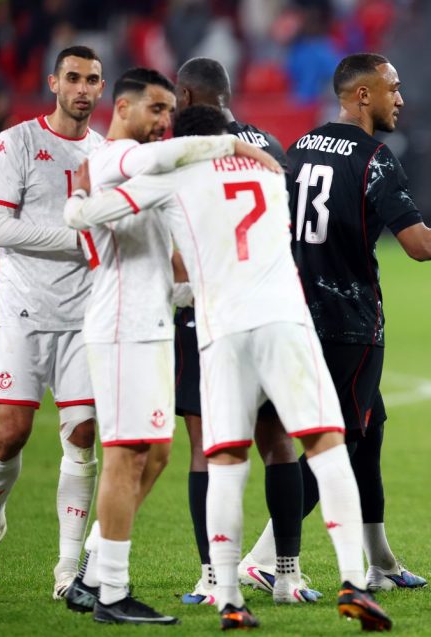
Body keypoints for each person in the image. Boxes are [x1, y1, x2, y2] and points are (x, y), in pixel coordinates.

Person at [64, 103, 394, 632]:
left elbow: (85, 219)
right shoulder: (267, 168)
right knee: (326, 447)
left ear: (184, 140)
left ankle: (228, 597)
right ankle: (353, 581)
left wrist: (82, 191)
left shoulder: (170, 177)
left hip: (221, 330)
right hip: (285, 319)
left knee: (224, 461)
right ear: (225, 134)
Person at [239, 52, 431, 592]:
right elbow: (420, 245)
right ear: (363, 95)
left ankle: (381, 562)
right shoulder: (375, 158)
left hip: (297, 314)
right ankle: (264, 556)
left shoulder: (301, 146)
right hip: (348, 323)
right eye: (393, 88)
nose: (401, 99)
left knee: (371, 431)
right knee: (334, 446)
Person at [60, 67, 280, 624]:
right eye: (156, 110)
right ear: (125, 108)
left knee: (155, 455)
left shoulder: (131, 172)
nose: (164, 122)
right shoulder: (116, 158)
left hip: (151, 323)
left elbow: (156, 254)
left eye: (167, 112)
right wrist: (229, 143)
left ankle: (93, 570)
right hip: (121, 328)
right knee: (126, 457)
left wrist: (192, 291)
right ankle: (109, 591)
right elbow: (163, 163)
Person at [171, 56, 320, 605]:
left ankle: (213, 579)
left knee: (205, 448)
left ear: (185, 97)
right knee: (279, 443)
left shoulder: (184, 152)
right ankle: (287, 574)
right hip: (269, 308)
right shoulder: (268, 148)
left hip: (207, 313)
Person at [0, 45, 106, 600]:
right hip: (23, 312)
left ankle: (67, 570)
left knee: (83, 436)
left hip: (82, 318)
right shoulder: (16, 142)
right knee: (11, 433)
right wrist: (78, 242)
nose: (83, 89)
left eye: (92, 80)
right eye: (72, 78)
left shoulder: (104, 152)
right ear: (53, 82)